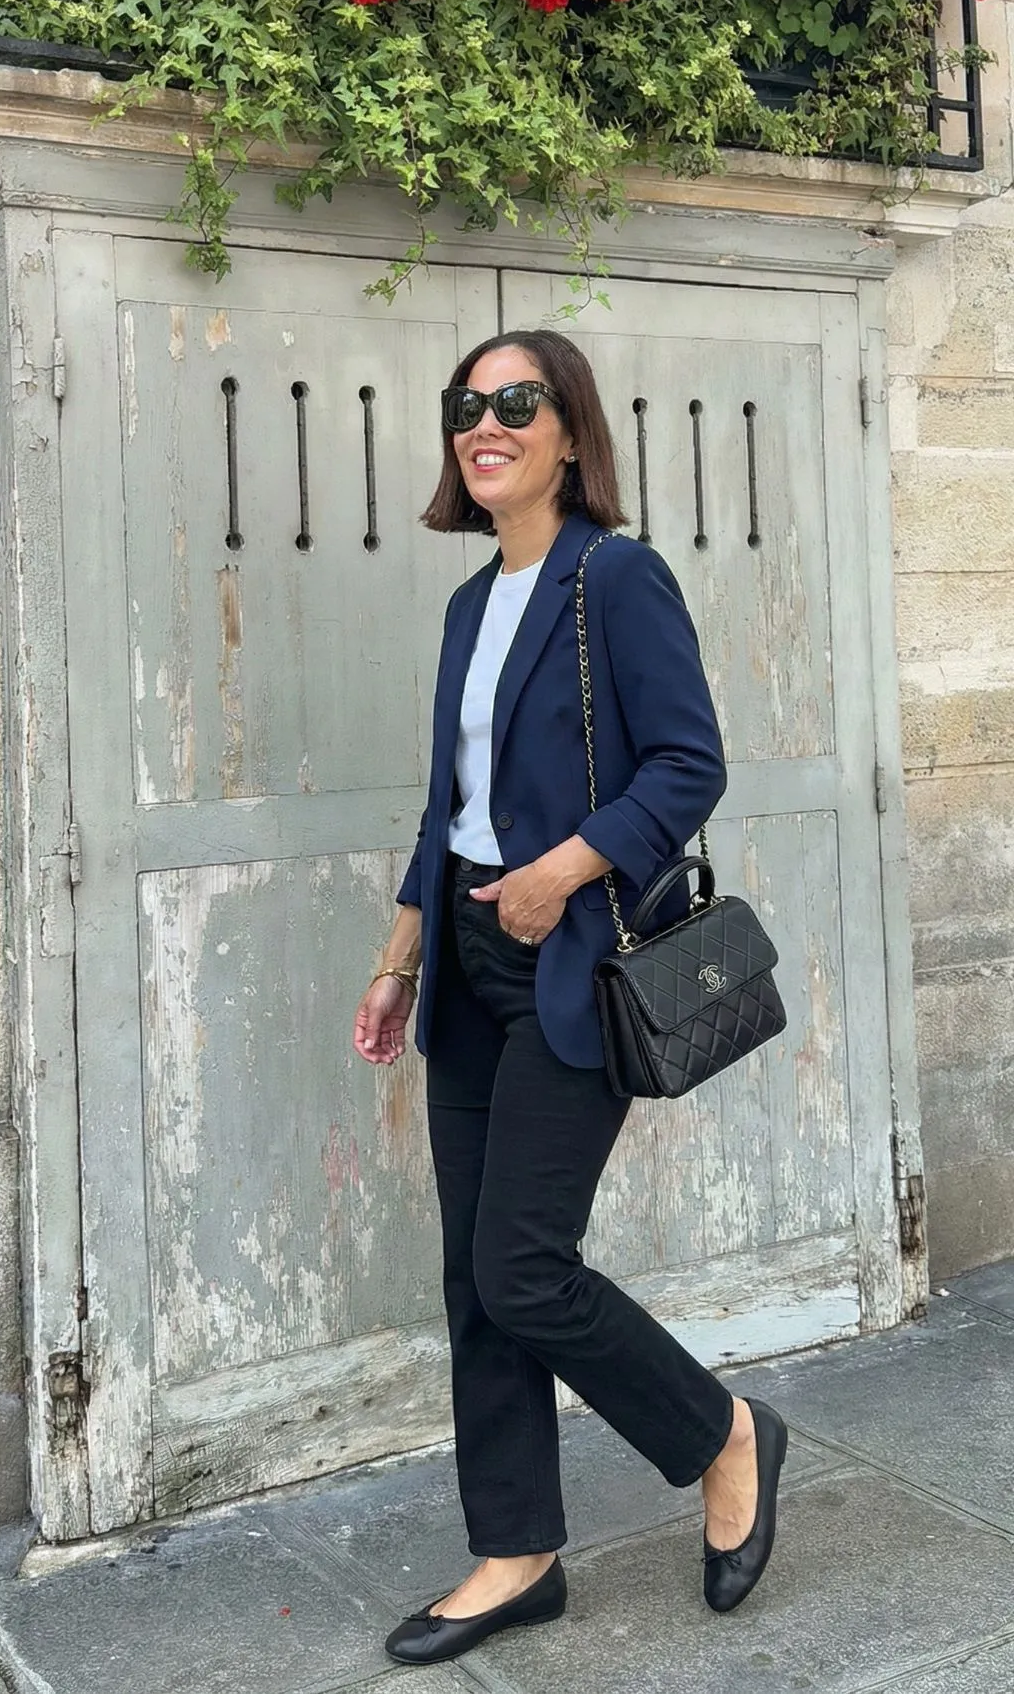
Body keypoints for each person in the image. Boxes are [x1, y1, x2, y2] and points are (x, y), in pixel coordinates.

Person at [352, 330, 788, 1666]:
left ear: (567, 430)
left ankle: (721, 1433)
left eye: (514, 403)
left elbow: (688, 763)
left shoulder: (617, 575)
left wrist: (564, 869)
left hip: (569, 954)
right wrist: (399, 956)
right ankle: (517, 1552)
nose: (485, 423)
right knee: (473, 1280)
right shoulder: (466, 607)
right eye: (466, 405)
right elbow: (446, 810)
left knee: (524, 1265)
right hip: (470, 965)